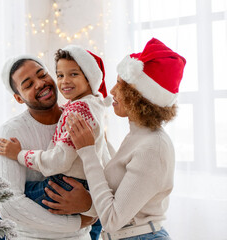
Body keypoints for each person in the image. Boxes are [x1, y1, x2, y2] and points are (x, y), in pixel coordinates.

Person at [43, 38, 186, 240]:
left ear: (139, 95)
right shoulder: (137, 137)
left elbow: (112, 219)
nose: (111, 91)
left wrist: (88, 152)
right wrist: (87, 203)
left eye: (120, 84)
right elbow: (117, 204)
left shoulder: (153, 147)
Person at [0, 45, 112, 240]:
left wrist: (89, 205)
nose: (40, 84)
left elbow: (107, 172)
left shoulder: (76, 117)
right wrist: (76, 222)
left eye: (42, 75)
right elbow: (8, 205)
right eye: (28, 84)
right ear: (18, 98)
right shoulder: (11, 132)